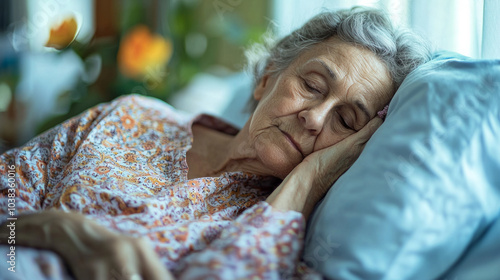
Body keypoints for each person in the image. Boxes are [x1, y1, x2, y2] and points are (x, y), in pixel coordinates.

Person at [0, 6, 431, 280]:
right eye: (313, 85)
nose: (314, 118)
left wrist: (307, 181)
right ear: (267, 77)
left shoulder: (289, 237)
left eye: (346, 120)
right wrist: (59, 231)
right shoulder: (130, 116)